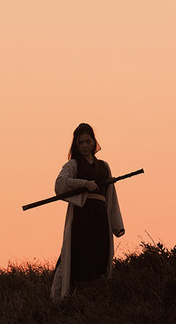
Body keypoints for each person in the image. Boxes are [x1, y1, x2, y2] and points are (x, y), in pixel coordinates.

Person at [50, 123, 125, 300]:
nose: (85, 145)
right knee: (79, 256)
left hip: (100, 218)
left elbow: (111, 196)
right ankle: (71, 298)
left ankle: (97, 298)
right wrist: (84, 184)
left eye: (88, 141)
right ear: (76, 144)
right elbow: (60, 183)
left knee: (100, 256)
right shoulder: (73, 165)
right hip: (81, 219)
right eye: (81, 142)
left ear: (93, 142)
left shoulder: (104, 166)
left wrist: (116, 225)